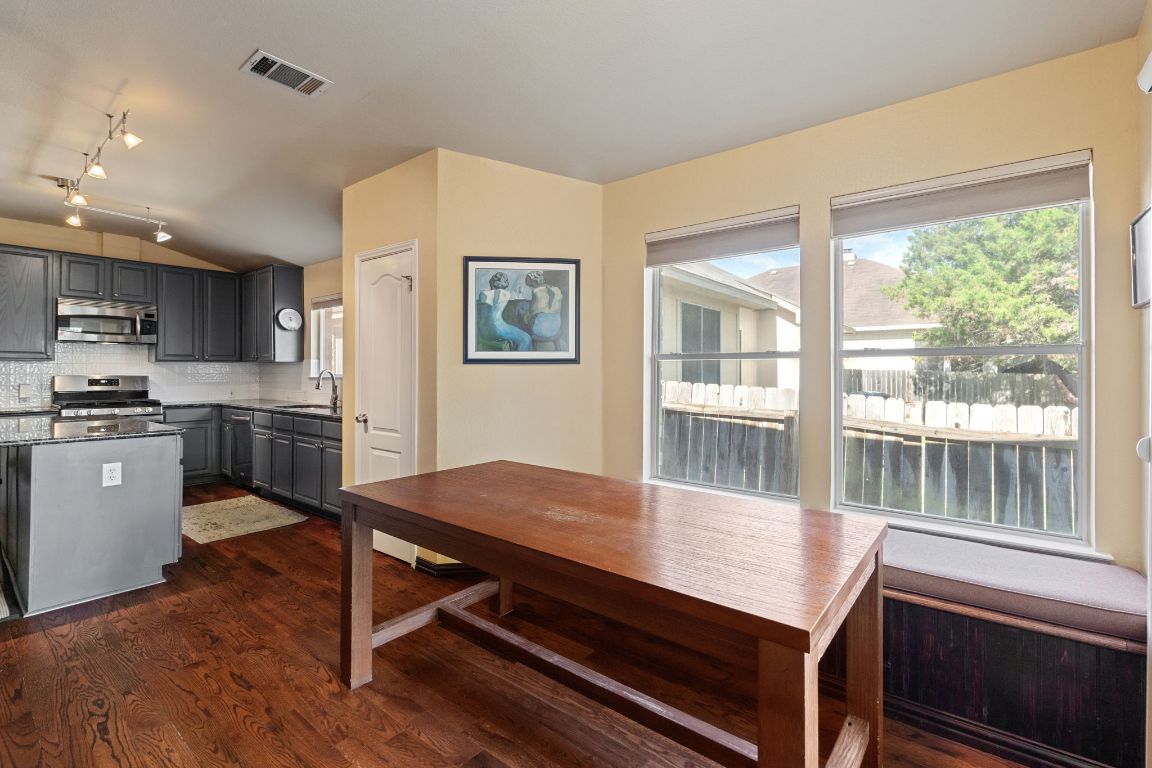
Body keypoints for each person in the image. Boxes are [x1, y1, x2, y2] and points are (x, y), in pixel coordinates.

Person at [476, 271, 531, 351]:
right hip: (498, 328)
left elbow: (483, 316)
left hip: (483, 330)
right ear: (504, 283)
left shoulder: (483, 294)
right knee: (526, 338)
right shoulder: (506, 294)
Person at [524, 270, 563, 349]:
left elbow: (532, 311)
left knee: (526, 318)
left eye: (531, 285)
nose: (531, 287)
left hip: (541, 330)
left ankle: (530, 345)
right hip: (556, 326)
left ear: (534, 282)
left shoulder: (536, 291)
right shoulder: (557, 289)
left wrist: (526, 316)